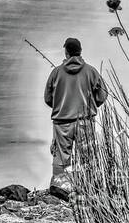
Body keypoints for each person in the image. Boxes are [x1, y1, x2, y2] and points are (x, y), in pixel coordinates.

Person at [44, 37, 108, 201]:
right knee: (86, 157)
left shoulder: (56, 72)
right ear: (80, 51)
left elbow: (48, 98)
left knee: (61, 158)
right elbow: (102, 94)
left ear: (66, 52)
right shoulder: (91, 71)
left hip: (62, 122)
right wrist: (93, 104)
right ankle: (88, 190)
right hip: (85, 122)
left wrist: (61, 105)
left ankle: (59, 192)